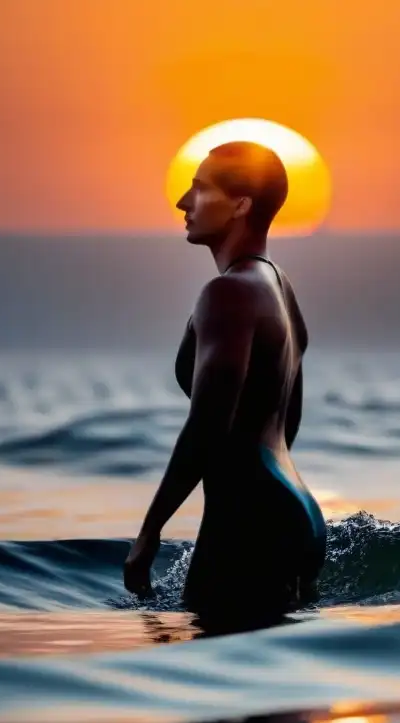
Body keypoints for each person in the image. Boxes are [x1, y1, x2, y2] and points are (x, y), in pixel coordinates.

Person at [123, 141, 326, 621]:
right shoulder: (278, 287)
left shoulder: (228, 294)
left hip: (250, 520)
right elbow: (286, 421)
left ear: (241, 204)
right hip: (294, 511)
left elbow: (209, 423)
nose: (182, 203)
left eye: (198, 189)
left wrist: (150, 531)